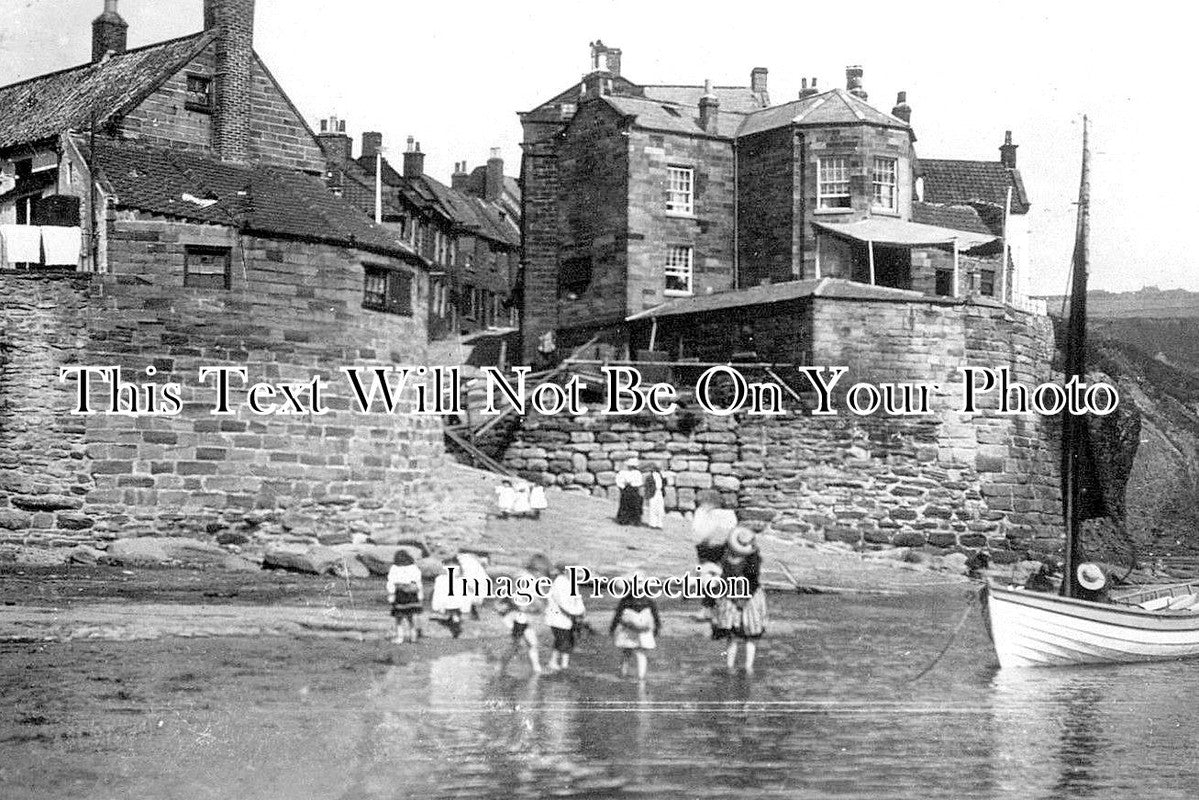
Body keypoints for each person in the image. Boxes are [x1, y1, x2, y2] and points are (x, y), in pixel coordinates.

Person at [713, 527, 767, 673]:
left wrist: (740, 598)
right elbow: (749, 580)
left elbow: (751, 581)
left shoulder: (746, 559)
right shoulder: (736, 558)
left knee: (740, 634)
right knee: (741, 634)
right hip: (738, 596)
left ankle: (739, 666)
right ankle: (740, 666)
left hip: (741, 597)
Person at [692, 491, 738, 621]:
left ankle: (711, 609)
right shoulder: (725, 515)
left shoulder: (717, 515)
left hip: (714, 550)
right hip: (711, 550)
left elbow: (700, 533)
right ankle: (711, 609)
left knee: (712, 578)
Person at [610, 581, 661, 681]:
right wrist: (657, 629)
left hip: (628, 631)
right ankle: (641, 677)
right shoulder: (649, 601)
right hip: (643, 631)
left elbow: (617, 616)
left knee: (626, 653)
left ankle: (623, 674)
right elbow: (656, 617)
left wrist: (612, 629)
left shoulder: (625, 601)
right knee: (641, 654)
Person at [544, 562, 586, 672]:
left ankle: (563, 664)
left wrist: (581, 611)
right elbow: (562, 603)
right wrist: (576, 613)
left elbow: (578, 598)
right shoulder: (559, 582)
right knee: (563, 640)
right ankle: (555, 662)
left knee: (568, 640)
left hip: (569, 618)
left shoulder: (572, 582)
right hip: (558, 617)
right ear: (564, 571)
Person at [496, 595, 542, 675]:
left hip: (522, 619)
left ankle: (536, 667)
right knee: (516, 645)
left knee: (533, 644)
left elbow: (536, 607)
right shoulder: (513, 598)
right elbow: (502, 606)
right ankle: (501, 665)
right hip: (515, 619)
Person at [386, 550, 423, 644]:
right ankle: (413, 636)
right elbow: (418, 582)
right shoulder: (414, 567)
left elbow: (391, 582)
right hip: (412, 595)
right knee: (411, 618)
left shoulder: (394, 568)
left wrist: (391, 594)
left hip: (400, 594)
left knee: (399, 619)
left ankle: (400, 637)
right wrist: (420, 595)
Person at [430, 558, 471, 638]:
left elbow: (438, 591)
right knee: (455, 612)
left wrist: (437, 604)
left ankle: (455, 624)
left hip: (449, 599)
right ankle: (455, 623)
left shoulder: (441, 578)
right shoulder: (460, 578)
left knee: (452, 612)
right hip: (457, 599)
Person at [614, 457, 645, 526]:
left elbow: (619, 481)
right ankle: (629, 520)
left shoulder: (635, 473)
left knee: (630, 504)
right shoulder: (627, 473)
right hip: (631, 489)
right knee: (629, 504)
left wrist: (623, 487)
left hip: (630, 489)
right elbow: (639, 483)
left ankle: (627, 520)